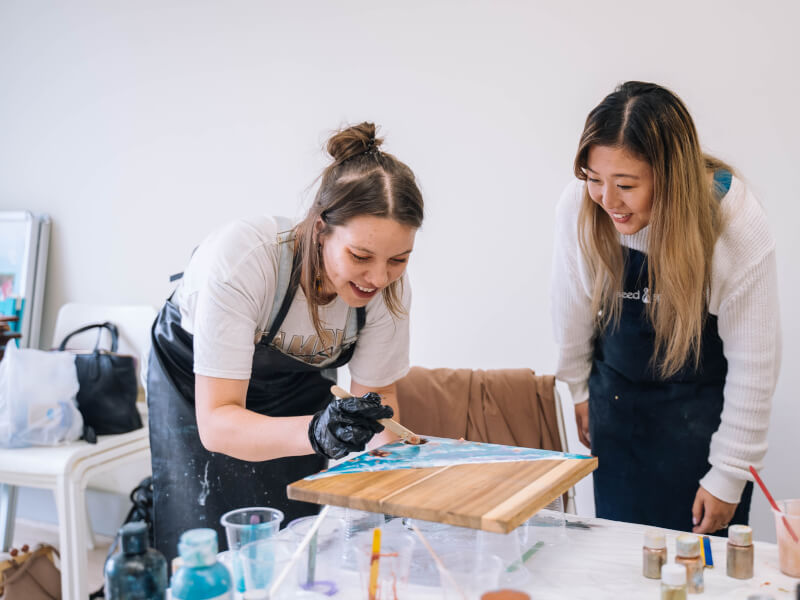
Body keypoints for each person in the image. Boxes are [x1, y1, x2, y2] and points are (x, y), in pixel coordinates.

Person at [146, 122, 424, 562]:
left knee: (296, 540)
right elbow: (218, 422)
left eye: (398, 260)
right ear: (319, 229)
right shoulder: (244, 260)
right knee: (209, 543)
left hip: (294, 387)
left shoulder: (387, 290)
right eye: (360, 257)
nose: (378, 278)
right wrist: (316, 432)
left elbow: (377, 402)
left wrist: (389, 498)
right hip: (196, 389)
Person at [551, 82, 780, 534]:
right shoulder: (582, 207)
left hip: (702, 430)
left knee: (701, 575)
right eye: (595, 180)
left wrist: (729, 476)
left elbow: (757, 364)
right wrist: (577, 389)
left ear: (670, 176)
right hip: (617, 411)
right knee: (623, 565)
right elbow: (570, 306)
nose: (608, 201)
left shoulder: (733, 223)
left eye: (627, 185)